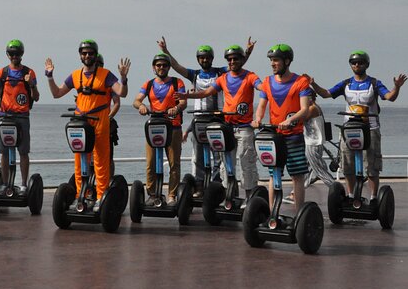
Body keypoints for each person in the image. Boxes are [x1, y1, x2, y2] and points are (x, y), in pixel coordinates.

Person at [158, 36, 255, 197]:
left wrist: (247, 52)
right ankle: (199, 185)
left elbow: (237, 64)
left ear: (212, 59)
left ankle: (217, 186)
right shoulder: (194, 75)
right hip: (198, 119)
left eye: (207, 57)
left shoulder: (220, 72)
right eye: (202, 57)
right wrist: (165, 51)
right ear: (198, 59)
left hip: (217, 118)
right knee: (197, 156)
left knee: (218, 155)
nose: (205, 60)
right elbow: (175, 66)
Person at [309, 50, 406, 202]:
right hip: (349, 129)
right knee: (347, 165)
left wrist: (397, 87)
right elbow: (326, 94)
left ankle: (374, 198)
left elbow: (389, 97)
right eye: (354, 63)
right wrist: (313, 84)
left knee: (372, 167)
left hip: (370, 129)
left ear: (366, 64)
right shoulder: (346, 84)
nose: (356, 65)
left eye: (360, 62)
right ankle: (350, 196)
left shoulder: (374, 83)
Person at [45, 40, 130, 211]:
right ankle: (79, 195)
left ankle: (100, 197)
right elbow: (57, 93)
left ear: (95, 55)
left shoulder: (106, 74)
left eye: (90, 53)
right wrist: (49, 76)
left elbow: (122, 93)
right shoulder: (75, 75)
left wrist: (123, 78)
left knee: (101, 160)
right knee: (80, 160)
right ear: (80, 55)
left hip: (100, 120)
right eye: (84, 53)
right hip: (80, 121)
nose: (87, 56)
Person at [252, 44, 311, 211]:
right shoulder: (267, 82)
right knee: (274, 174)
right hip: (274, 136)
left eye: (276, 60)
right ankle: (272, 214)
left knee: (297, 175)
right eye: (271, 60)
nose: (272, 64)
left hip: (293, 135)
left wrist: (292, 119)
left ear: (287, 61)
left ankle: (300, 213)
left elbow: (305, 109)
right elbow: (262, 106)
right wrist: (257, 119)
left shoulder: (301, 82)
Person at [133, 53, 187, 206]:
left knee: (174, 164)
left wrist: (176, 108)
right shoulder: (148, 84)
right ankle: (152, 194)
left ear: (169, 67)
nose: (161, 67)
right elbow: (136, 100)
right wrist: (142, 106)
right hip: (154, 127)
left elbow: (183, 102)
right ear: (153, 67)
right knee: (150, 163)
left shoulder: (177, 83)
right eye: (158, 65)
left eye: (164, 65)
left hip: (173, 128)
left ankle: (171, 195)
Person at [0, 39, 40, 194]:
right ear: (7, 54)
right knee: (4, 153)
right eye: (12, 53)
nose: (14, 56)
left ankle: (24, 184)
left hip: (22, 116)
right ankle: (5, 183)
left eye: (17, 53)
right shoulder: (2, 72)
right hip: (5, 116)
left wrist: (31, 84)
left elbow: (36, 97)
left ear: (22, 54)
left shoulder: (29, 72)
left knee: (23, 152)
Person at [96, 53, 121, 174]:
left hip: (105, 121)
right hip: (89, 121)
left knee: (108, 155)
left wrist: (109, 116)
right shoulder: (86, 79)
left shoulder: (108, 80)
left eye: (99, 64)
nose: (97, 66)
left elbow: (116, 103)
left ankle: (110, 180)